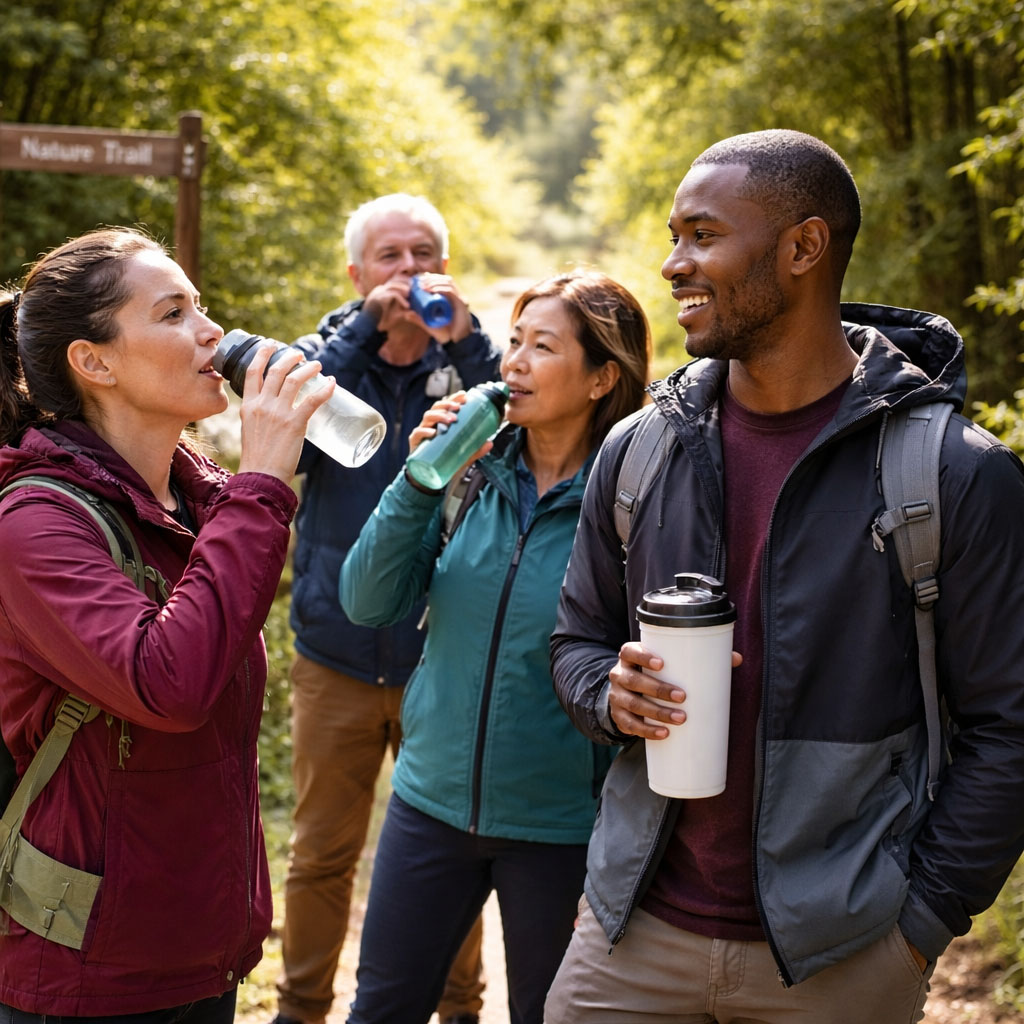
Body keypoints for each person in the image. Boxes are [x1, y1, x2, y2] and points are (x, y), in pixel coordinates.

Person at [545, 129, 1024, 1024]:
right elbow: (575, 638)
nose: (671, 263)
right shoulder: (639, 448)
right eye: (674, 235)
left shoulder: (956, 475)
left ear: (804, 248)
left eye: (701, 235)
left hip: (843, 957)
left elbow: (1010, 727)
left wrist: (920, 925)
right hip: (630, 936)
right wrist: (609, 696)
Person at [0, 227, 331, 1020]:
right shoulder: (33, 523)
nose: (212, 332)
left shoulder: (198, 498)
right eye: (174, 313)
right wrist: (261, 484)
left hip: (199, 951)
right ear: (96, 361)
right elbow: (169, 685)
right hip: (86, 973)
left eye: (201, 306)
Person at [339, 268, 651, 1024]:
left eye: (541, 347)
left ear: (601, 376)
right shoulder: (468, 475)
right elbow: (367, 600)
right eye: (512, 342)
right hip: (428, 805)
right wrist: (418, 479)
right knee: (381, 1010)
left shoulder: (636, 503)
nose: (512, 362)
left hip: (561, 829)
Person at [273, 193, 501, 1024]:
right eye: (390, 257)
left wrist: (468, 343)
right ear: (358, 273)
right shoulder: (325, 359)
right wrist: (364, 331)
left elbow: (523, 438)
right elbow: (286, 442)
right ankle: (299, 1010)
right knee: (321, 855)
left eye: (423, 255)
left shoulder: (474, 357)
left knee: (454, 851)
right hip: (334, 656)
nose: (409, 272)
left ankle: (461, 1008)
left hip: (443, 661)